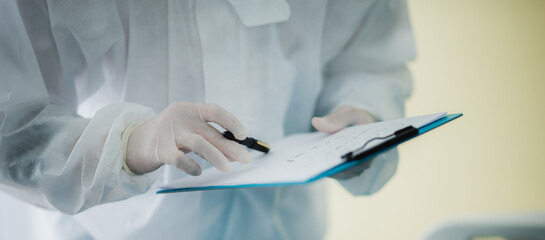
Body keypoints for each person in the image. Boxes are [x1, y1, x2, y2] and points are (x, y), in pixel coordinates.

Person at [0, 0, 414, 239]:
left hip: (288, 228)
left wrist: (363, 116)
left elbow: (369, 59)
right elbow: (12, 124)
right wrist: (127, 145)